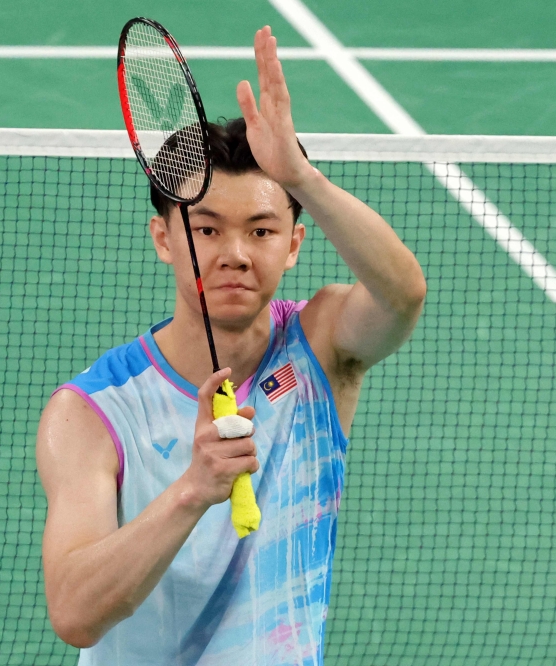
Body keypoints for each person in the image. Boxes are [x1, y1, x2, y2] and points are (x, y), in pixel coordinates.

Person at [35, 26, 425, 665]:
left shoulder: (321, 346)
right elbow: (75, 613)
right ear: (163, 239)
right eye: (207, 229)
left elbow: (403, 294)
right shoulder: (91, 413)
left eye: (262, 229)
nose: (235, 254)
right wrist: (194, 487)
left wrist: (302, 178)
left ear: (294, 245)